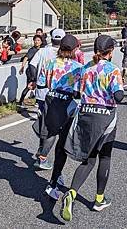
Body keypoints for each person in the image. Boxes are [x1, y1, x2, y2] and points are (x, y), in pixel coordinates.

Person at [61, 35, 124, 221]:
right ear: (110, 52)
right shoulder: (113, 70)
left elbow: (75, 92)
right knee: (105, 156)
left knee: (88, 159)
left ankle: (71, 193)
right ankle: (99, 199)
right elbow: (119, 96)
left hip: (86, 114)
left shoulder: (86, 69)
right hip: (105, 117)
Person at [37, 35, 84, 200]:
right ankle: (55, 179)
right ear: (73, 50)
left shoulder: (50, 63)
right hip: (68, 103)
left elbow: (41, 82)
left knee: (51, 132)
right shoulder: (78, 67)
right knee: (63, 142)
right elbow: (79, 91)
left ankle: (44, 157)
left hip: (51, 100)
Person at [29, 28, 65, 170]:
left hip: (41, 93)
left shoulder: (43, 51)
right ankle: (43, 154)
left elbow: (32, 65)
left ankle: (41, 148)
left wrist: (33, 79)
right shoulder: (63, 54)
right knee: (52, 126)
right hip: (56, 95)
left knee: (44, 121)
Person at [18, 34, 43, 108]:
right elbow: (26, 58)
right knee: (29, 86)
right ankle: (20, 101)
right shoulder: (32, 50)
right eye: (35, 40)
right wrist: (22, 67)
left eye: (38, 40)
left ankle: (37, 101)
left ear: (41, 42)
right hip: (31, 71)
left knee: (39, 86)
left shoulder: (42, 50)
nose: (36, 42)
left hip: (38, 71)